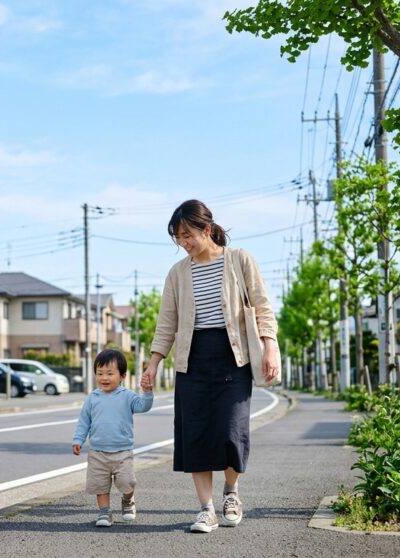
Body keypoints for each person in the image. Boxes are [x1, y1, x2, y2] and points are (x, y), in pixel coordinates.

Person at [140, 199, 279, 533]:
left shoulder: (239, 259)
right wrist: (153, 363)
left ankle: (231, 493)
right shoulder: (177, 273)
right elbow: (167, 323)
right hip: (192, 360)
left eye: (188, 234)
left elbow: (262, 307)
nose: (183, 242)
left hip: (234, 357)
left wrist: (270, 347)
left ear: (207, 229)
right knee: (196, 434)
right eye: (178, 237)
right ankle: (206, 509)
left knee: (232, 431)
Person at [72, 348, 154, 527]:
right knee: (99, 484)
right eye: (100, 373)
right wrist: (78, 439)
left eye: (110, 373)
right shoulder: (92, 398)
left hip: (122, 451)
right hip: (97, 451)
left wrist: (147, 393)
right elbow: (84, 421)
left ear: (122, 376)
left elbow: (143, 406)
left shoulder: (127, 396)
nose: (104, 378)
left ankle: (128, 499)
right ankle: (104, 512)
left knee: (127, 481)